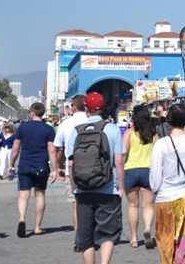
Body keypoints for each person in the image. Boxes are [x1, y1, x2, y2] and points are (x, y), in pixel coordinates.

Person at [67, 92, 125, 264]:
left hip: (83, 190)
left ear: (86, 108)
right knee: (108, 233)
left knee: (86, 237)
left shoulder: (76, 131)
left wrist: (74, 187)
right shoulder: (112, 129)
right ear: (103, 108)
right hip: (108, 189)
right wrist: (120, 187)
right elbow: (119, 161)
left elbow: (70, 164)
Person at [150, 103, 185, 264]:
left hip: (165, 200)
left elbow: (154, 180)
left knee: (167, 244)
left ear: (168, 121)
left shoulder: (161, 144)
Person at [9, 102, 57, 238]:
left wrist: (11, 165)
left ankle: (22, 218)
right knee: (40, 195)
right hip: (41, 165)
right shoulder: (48, 129)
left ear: (32, 113)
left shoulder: (22, 127)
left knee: (24, 195)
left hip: (24, 165)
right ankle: (37, 227)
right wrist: (54, 169)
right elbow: (52, 150)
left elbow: (15, 148)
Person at [53, 94, 87, 252]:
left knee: (77, 205)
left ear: (74, 106)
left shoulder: (66, 124)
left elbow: (58, 149)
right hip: (96, 170)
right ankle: (92, 236)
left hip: (72, 170)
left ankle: (79, 239)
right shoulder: (94, 121)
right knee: (93, 204)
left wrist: (59, 167)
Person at [122, 104, 156, 249]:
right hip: (148, 171)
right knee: (147, 205)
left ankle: (134, 239)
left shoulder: (129, 133)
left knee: (132, 205)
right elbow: (159, 151)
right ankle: (147, 228)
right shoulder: (153, 134)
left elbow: (123, 152)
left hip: (131, 171)